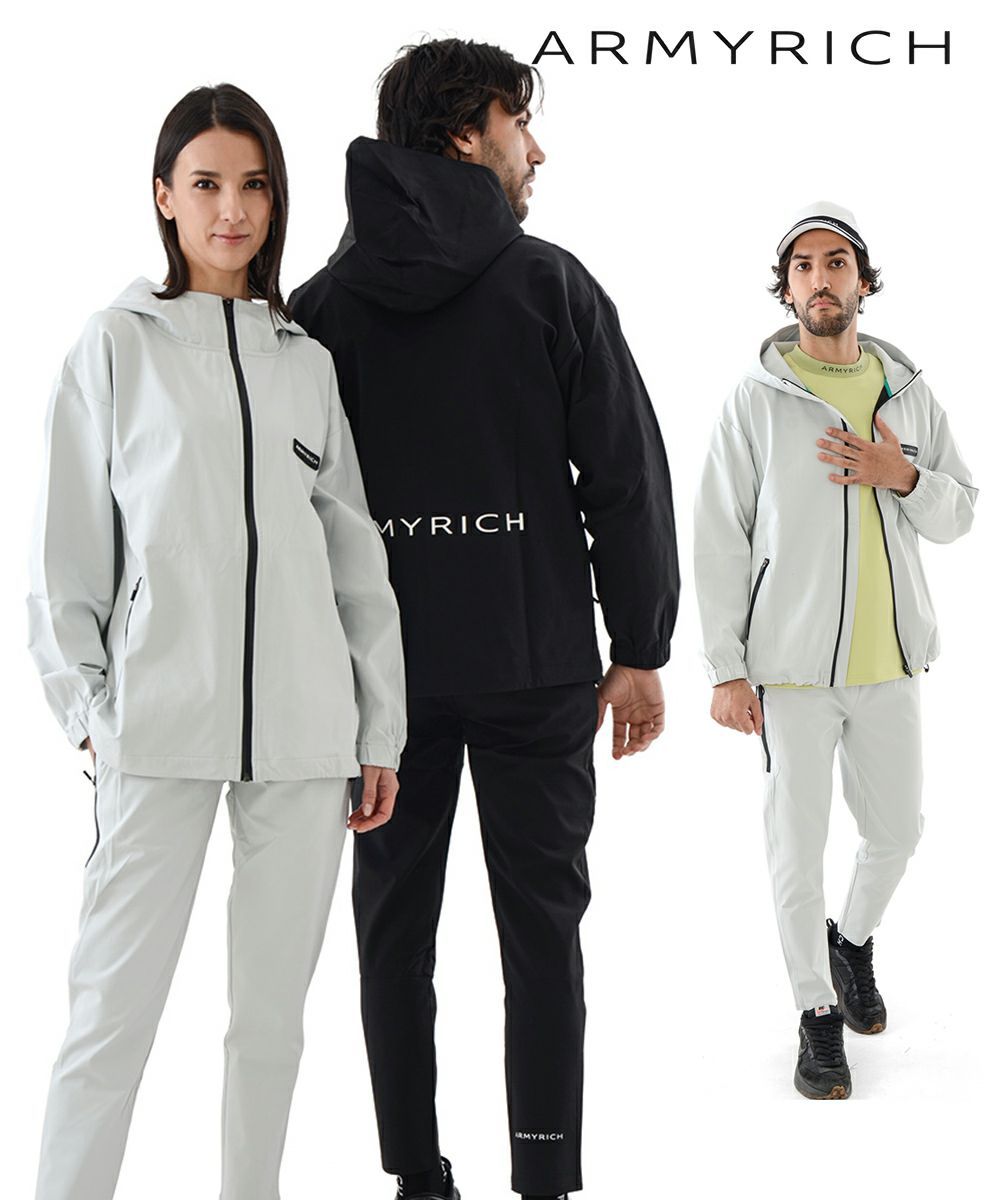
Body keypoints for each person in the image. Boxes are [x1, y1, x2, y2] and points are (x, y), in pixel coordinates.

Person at [291, 37, 679, 1200]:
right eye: (521, 123)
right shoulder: (548, 284)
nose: (536, 149)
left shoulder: (319, 310)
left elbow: (290, 517)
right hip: (533, 663)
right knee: (542, 933)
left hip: (382, 690)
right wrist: (639, 647)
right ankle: (545, 1181)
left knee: (390, 932)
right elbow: (624, 475)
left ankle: (416, 1178)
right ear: (468, 132)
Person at [27, 83, 405, 1199]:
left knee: (271, 1024)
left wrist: (376, 727)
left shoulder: (305, 360)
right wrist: (92, 713)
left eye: (253, 186)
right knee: (111, 1015)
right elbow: (65, 554)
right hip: (155, 730)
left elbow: (355, 559)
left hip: (304, 735)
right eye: (206, 185)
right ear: (164, 197)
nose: (231, 210)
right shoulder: (116, 345)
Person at [694, 201, 976, 1099]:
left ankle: (849, 941)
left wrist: (903, 475)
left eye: (837, 262)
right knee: (797, 848)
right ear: (787, 289)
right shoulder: (756, 399)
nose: (821, 279)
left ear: (863, 280)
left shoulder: (907, 390)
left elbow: (961, 511)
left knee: (897, 832)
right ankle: (817, 1013)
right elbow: (718, 537)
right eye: (804, 266)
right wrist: (727, 668)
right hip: (791, 671)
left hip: (891, 663)